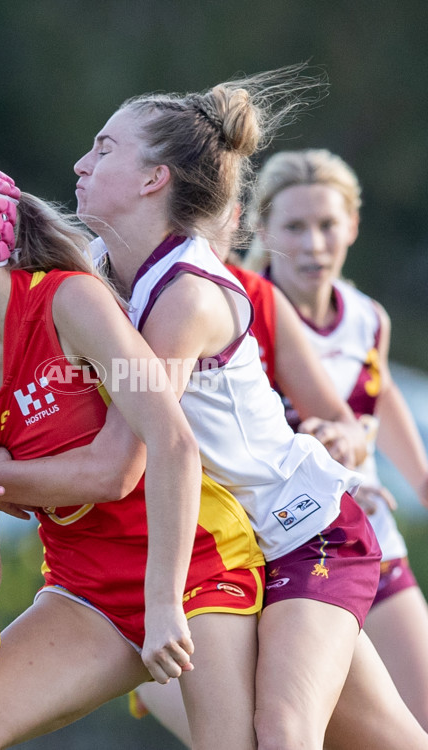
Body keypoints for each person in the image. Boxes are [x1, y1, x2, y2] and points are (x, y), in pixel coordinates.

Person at [0, 69, 427, 748]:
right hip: (225, 543)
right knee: (385, 738)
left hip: (299, 535)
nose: (80, 164)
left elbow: (123, 462)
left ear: (154, 179)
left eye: (104, 149)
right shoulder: (93, 268)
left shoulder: (184, 296)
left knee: (288, 732)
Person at [0, 155, 269, 750]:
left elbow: (171, 441)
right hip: (85, 594)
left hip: (196, 575)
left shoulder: (68, 301)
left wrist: (162, 603)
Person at [246, 146, 428, 731]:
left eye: (328, 224)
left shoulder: (367, 317)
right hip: (283, 555)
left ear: (352, 224)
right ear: (261, 228)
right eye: (294, 226)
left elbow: (380, 395)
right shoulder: (234, 313)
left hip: (371, 541)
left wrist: (422, 480)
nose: (313, 244)